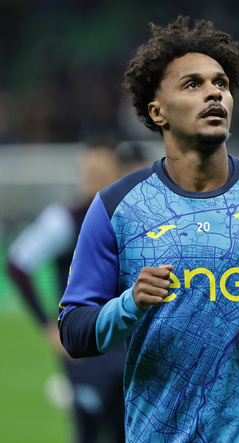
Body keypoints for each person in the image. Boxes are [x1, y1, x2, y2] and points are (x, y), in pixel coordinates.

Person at [58, 16, 239, 442]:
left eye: (222, 83)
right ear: (157, 111)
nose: (214, 92)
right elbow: (74, 329)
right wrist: (129, 304)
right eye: (192, 84)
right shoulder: (115, 207)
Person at [7, 139, 148, 443]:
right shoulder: (66, 219)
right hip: (87, 344)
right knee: (90, 432)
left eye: (98, 171)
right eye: (86, 171)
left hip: (127, 344)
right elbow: (18, 264)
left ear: (117, 171)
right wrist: (48, 326)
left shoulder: (133, 216)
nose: (90, 179)